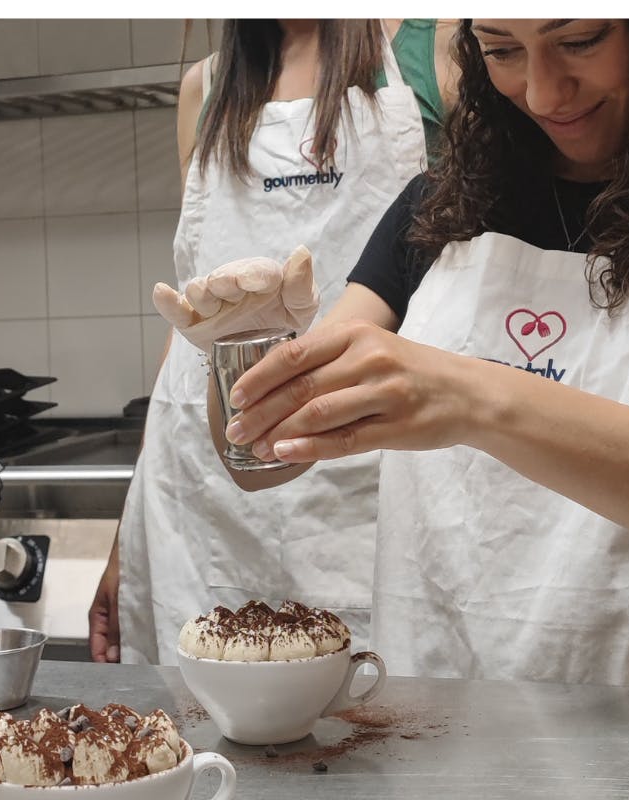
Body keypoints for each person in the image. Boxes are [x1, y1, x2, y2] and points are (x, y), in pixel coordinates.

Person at [157, 19, 629, 692]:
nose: (543, 93)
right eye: (504, 51)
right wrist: (245, 356)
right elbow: (266, 462)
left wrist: (473, 400)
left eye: (579, 41)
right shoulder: (438, 207)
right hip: (448, 721)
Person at [90, 19, 458, 664]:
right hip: (199, 486)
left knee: (375, 725)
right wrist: (125, 538)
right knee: (208, 732)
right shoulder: (204, 87)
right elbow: (190, 317)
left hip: (365, 476)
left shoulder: (433, 55)